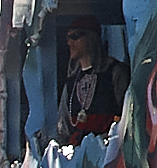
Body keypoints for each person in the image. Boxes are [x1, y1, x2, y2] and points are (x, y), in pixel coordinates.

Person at [56, 15, 130, 147]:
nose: (69, 43)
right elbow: (64, 127)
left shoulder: (115, 72)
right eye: (68, 37)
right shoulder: (71, 83)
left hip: (109, 152)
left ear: (91, 38)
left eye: (75, 36)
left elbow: (128, 115)